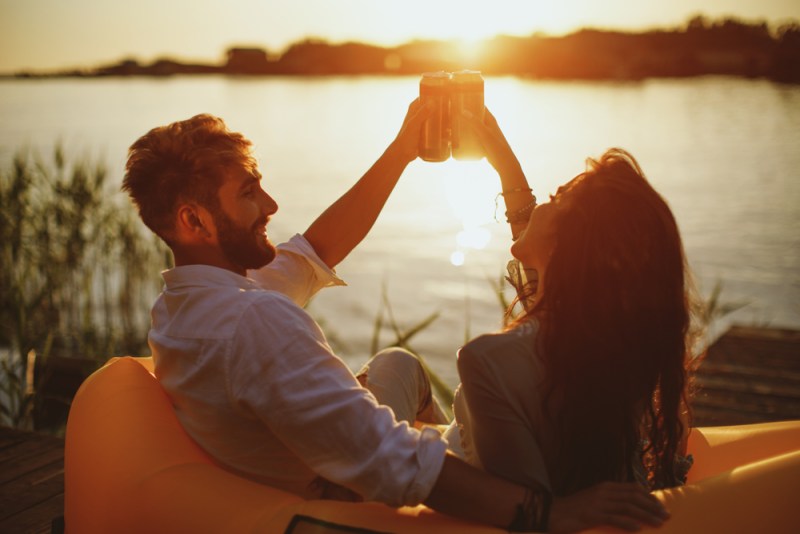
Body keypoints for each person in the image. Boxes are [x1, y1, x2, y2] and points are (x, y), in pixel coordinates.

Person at [122, 101, 669, 532]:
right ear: (194, 219)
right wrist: (551, 515)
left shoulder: (188, 302)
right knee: (421, 415)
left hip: (294, 453)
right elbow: (387, 459)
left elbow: (314, 250)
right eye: (248, 193)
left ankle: (455, 430)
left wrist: (406, 148)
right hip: (335, 498)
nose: (270, 204)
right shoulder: (256, 322)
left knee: (398, 364)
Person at [447, 108, 696, 502]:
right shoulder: (609, 347)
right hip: (477, 448)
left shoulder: (486, 361)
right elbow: (534, 231)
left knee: (394, 365)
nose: (541, 206)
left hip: (464, 495)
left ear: (567, 243)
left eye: (554, 198)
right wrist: (501, 156)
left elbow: (530, 513)